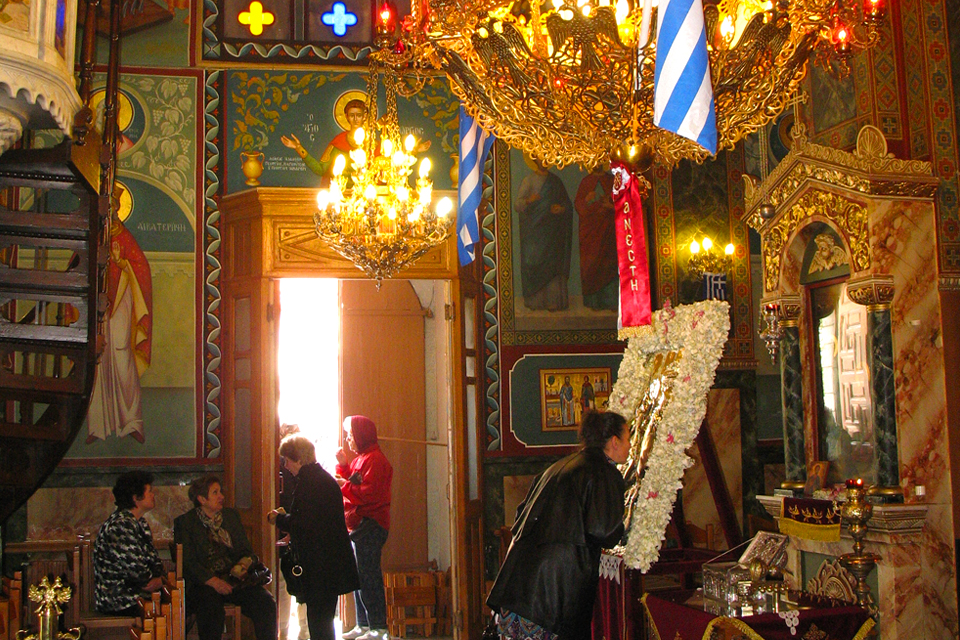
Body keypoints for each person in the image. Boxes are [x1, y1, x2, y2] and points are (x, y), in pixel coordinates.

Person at [486, 410, 629, 640]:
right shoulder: (604, 472)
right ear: (614, 441)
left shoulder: (557, 467)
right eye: (628, 438)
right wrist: (626, 527)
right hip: (551, 597)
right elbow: (604, 531)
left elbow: (520, 515)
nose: (630, 446)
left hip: (518, 588)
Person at [268, 435, 360, 640]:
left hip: (321, 564)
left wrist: (279, 519)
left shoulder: (310, 484)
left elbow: (305, 523)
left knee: (319, 621)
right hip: (329, 562)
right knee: (322, 619)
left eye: (287, 460)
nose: (286, 466)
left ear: (299, 459)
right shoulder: (321, 479)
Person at [174, 476, 277, 640]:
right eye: (215, 493)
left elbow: (247, 551)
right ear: (202, 499)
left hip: (234, 579)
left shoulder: (230, 517)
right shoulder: (186, 523)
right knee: (210, 608)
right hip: (204, 583)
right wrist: (213, 581)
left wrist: (240, 570)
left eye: (220, 491)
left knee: (265, 603)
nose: (221, 496)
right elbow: (188, 562)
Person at [87, 216, 152, 444]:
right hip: (98, 304)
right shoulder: (94, 234)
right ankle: (97, 426)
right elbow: (79, 262)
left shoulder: (125, 237)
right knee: (98, 358)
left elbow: (140, 267)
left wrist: (122, 262)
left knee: (123, 355)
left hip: (123, 301)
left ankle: (132, 422)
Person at [336, 415, 394, 640]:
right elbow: (354, 481)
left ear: (361, 435)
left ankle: (378, 627)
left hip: (371, 525)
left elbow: (368, 493)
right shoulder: (363, 458)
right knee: (359, 576)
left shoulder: (376, 460)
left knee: (369, 576)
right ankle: (363, 624)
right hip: (359, 527)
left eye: (351, 434)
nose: (348, 439)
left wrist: (344, 486)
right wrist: (343, 465)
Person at [93, 471, 165, 616]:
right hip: (119, 600)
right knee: (177, 608)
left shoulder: (140, 523)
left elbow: (155, 563)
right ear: (136, 498)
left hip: (137, 595)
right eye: (149, 491)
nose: (153, 495)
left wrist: (160, 578)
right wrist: (158, 580)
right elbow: (140, 575)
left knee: (184, 603)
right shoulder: (120, 525)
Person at [515, 157, 573, 311]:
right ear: (535, 159)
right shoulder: (529, 180)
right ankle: (535, 301)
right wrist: (529, 200)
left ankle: (553, 301)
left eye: (547, 157)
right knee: (533, 262)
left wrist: (561, 209)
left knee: (552, 265)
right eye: (542, 157)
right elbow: (518, 205)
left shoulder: (556, 181)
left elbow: (567, 203)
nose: (545, 161)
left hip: (552, 232)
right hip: (534, 232)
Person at [282, 98, 367, 185]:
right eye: (352, 115)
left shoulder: (372, 144)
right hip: (341, 193)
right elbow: (321, 169)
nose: (356, 119)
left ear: (364, 117)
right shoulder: (338, 142)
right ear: (347, 117)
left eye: (359, 115)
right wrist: (298, 148)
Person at [574, 166, 619, 311]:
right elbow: (579, 205)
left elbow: (622, 202)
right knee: (591, 264)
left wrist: (611, 206)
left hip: (609, 231)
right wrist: (587, 199)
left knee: (609, 264)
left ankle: (611, 301)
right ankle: (594, 302)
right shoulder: (586, 181)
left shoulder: (612, 180)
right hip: (590, 233)